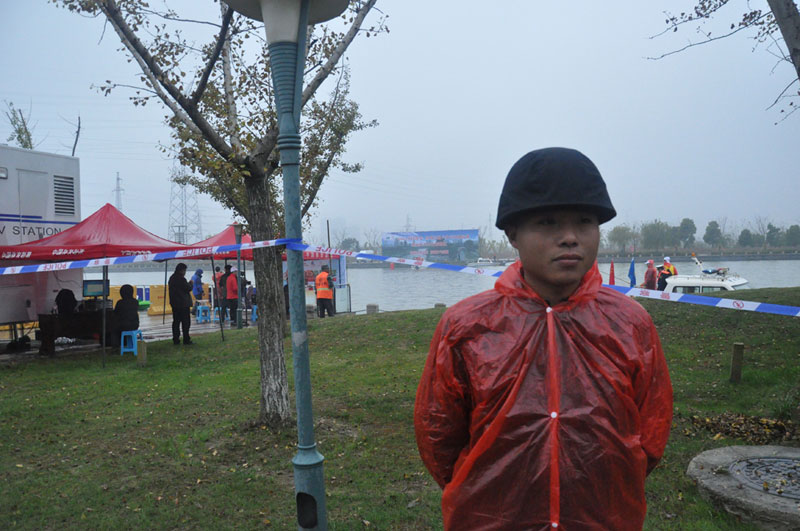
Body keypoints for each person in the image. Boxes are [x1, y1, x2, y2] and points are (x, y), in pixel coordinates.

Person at [414, 147, 673, 530]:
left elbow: (651, 430)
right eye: (548, 223)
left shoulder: (630, 323)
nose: (569, 238)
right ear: (513, 234)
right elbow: (439, 434)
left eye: (584, 222)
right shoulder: (466, 327)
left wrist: (611, 481)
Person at [168, 262, 193, 345]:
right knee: (186, 322)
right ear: (181, 270)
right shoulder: (181, 279)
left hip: (175, 304)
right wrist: (191, 283)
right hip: (183, 304)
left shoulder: (172, 278)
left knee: (176, 322)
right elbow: (188, 288)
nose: (185, 272)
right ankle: (186, 339)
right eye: (184, 270)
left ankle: (176, 339)